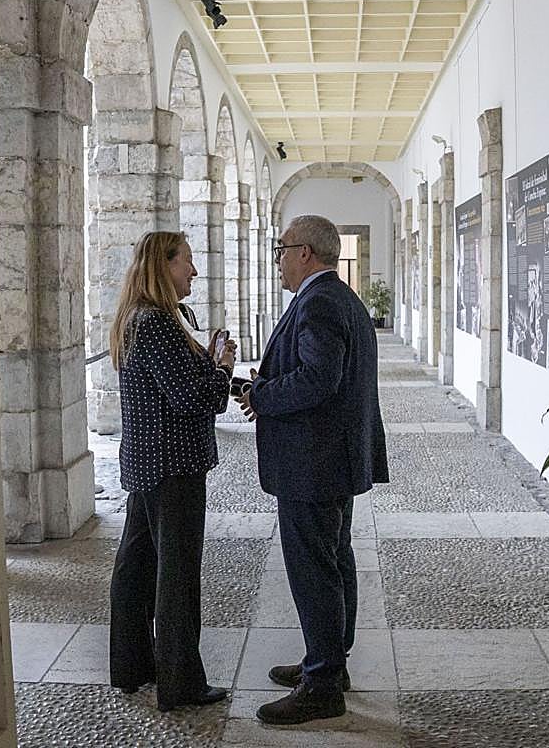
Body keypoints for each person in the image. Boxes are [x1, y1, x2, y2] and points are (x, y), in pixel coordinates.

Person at [237, 214, 388, 726]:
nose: (278, 259)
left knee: (315, 570)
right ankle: (329, 664)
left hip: (313, 461)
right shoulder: (339, 297)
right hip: (330, 458)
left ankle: (322, 685)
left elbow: (317, 380)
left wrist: (261, 394)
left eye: (282, 249)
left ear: (305, 253)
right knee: (334, 560)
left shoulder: (320, 300)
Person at [106, 231, 236, 712]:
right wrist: (221, 369)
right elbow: (188, 398)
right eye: (187, 262)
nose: (194, 271)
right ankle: (180, 684)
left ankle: (133, 666)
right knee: (176, 577)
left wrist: (207, 357)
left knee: (136, 567)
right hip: (171, 465)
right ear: (163, 266)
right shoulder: (156, 322)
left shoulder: (141, 319)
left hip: (149, 461)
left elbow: (170, 385)